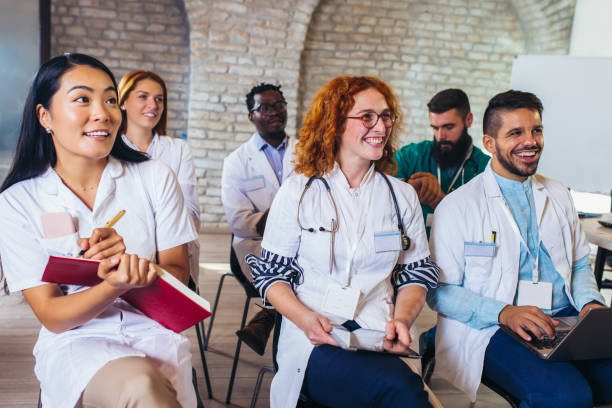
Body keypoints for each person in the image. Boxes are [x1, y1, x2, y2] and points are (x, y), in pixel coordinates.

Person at [0, 54, 197, 407]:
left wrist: (139, 270)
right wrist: (114, 285)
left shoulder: (155, 178)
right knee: (141, 386)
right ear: (45, 116)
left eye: (109, 99)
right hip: (77, 341)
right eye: (82, 99)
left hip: (153, 332)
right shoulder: (18, 202)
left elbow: (179, 272)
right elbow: (52, 315)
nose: (102, 113)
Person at [245, 76, 440, 408]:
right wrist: (305, 319)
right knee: (401, 391)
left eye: (386, 115)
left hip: (377, 334)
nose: (380, 126)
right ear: (334, 124)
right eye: (367, 117)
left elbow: (416, 274)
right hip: (315, 340)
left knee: (401, 388)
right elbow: (272, 276)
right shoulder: (298, 190)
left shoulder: (401, 196)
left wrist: (403, 320)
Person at [428, 90, 612, 407]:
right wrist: (505, 312)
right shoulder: (458, 207)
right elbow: (439, 291)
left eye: (536, 130)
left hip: (564, 321)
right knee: (566, 397)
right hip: (495, 327)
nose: (531, 141)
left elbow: (580, 265)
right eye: (516, 133)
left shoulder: (557, 194)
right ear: (489, 144)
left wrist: (589, 306)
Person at [221, 83, 296, 355]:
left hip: (302, 241)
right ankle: (290, 354)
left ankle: (268, 315)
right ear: (251, 116)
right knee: (305, 280)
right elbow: (239, 221)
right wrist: (287, 219)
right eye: (264, 107)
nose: (274, 112)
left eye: (279, 105)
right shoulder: (236, 162)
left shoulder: (307, 153)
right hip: (256, 244)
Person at [118, 70, 200, 283]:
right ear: (123, 102)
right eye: (143, 97)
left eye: (159, 99)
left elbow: (190, 211)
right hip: (127, 259)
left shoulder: (178, 149)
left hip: (177, 258)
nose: (153, 105)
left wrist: (165, 238)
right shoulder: (111, 151)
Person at [394, 89, 489, 232]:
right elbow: (380, 191)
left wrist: (443, 202)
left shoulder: (486, 168)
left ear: (468, 120)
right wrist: (408, 187)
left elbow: (487, 222)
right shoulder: (411, 155)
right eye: (435, 128)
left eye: (449, 127)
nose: (440, 136)